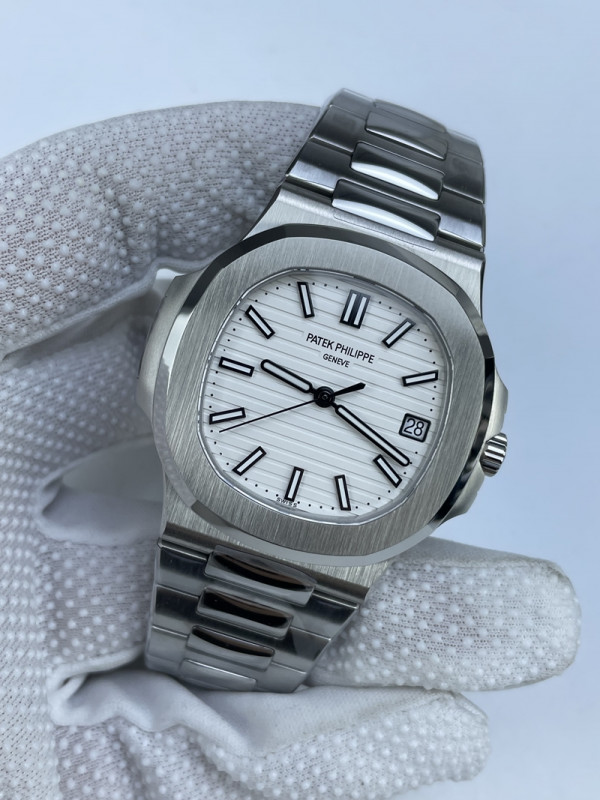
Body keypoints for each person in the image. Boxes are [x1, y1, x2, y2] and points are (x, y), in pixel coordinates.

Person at [0, 100, 580, 800]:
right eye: (322, 392)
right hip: (217, 499)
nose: (326, 397)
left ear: (480, 443)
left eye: (332, 396)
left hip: (321, 538)